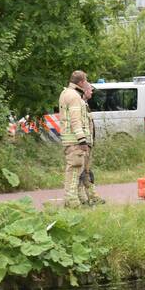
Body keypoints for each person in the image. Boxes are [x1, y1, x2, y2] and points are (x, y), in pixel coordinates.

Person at [59, 70, 92, 209]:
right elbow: (75, 120)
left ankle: (75, 200)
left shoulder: (66, 93)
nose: (87, 83)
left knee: (76, 171)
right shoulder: (74, 97)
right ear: (81, 82)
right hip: (75, 141)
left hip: (69, 139)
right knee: (74, 171)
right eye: (86, 81)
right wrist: (82, 140)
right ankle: (72, 203)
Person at [77, 83, 104, 206]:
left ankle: (92, 196)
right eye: (90, 90)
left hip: (88, 143)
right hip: (83, 144)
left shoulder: (85, 105)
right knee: (81, 172)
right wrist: (83, 141)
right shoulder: (79, 105)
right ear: (84, 91)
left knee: (87, 171)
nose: (92, 93)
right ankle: (81, 198)